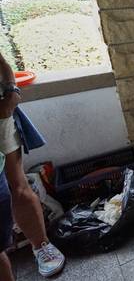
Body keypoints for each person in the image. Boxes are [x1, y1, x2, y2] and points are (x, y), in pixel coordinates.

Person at [0, 53, 65, 278]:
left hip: (0, 117)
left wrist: (11, 93)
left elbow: (3, 65)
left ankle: (41, 245)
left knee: (16, 185)